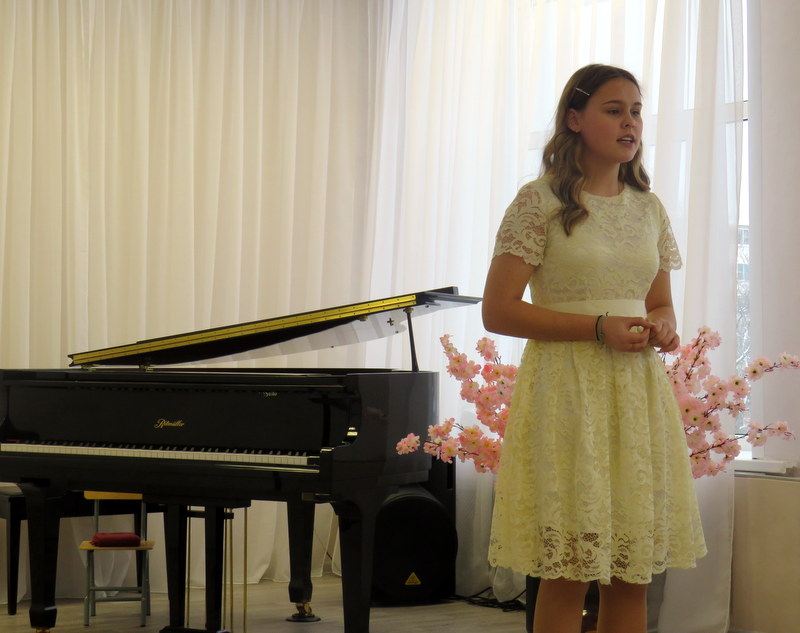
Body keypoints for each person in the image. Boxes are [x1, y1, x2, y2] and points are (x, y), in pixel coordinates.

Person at [483, 64, 707, 633]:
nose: (630, 122)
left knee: (632, 575)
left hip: (636, 397)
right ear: (575, 120)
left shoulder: (649, 208)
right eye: (614, 110)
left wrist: (663, 327)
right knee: (568, 571)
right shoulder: (538, 202)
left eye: (636, 111)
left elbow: (661, 304)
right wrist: (598, 327)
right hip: (567, 393)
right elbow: (498, 310)